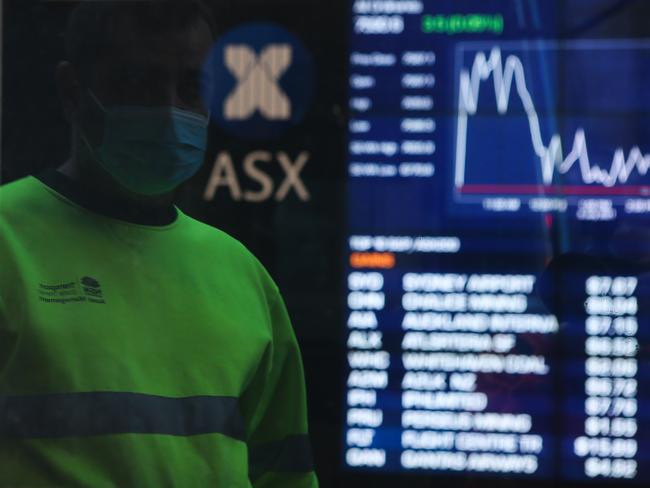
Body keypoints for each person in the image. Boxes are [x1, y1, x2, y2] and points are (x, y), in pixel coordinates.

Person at [0, 1, 318, 487]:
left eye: (190, 87)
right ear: (72, 92)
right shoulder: (7, 238)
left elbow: (284, 473)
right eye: (138, 83)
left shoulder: (242, 274)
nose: (169, 109)